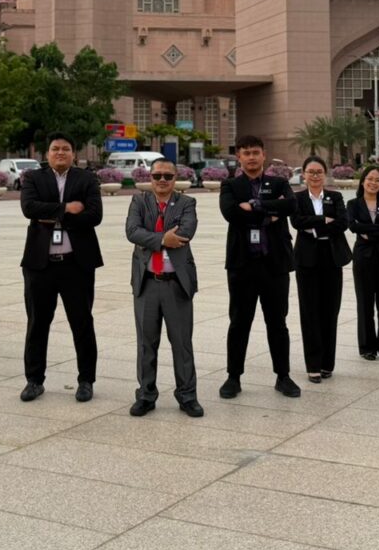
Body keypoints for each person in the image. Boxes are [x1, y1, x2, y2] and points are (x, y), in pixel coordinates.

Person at [19, 133, 103, 403]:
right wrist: (67, 208)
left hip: (76, 265)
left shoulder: (86, 179)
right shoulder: (33, 178)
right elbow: (29, 208)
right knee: (37, 323)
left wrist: (52, 216)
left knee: (82, 322)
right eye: (55, 148)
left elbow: (94, 215)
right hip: (40, 265)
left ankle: (86, 380)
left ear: (73, 154)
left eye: (66, 149)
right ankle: (34, 380)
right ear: (47, 154)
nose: (60, 153)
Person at [219, 134, 301, 399]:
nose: (251, 157)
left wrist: (255, 205)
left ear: (264, 155)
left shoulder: (279, 183)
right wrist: (270, 214)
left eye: (256, 152)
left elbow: (291, 204)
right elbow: (231, 213)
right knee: (239, 322)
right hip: (242, 265)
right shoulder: (230, 185)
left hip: (274, 265)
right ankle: (233, 377)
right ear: (239, 157)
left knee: (277, 322)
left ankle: (283, 376)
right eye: (246, 153)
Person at [125, 158, 203, 417]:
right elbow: (132, 231)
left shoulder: (186, 203)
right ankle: (146, 396)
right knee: (146, 344)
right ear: (150, 178)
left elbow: (186, 232)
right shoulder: (139, 201)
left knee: (182, 343)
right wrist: (162, 239)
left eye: (167, 176)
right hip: (147, 283)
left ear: (175, 178)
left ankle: (187, 396)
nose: (162, 180)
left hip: (176, 284)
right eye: (157, 175)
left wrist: (151, 238)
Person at [290, 156, 351, 382]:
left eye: (319, 172)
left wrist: (314, 225)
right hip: (307, 260)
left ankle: (327, 364)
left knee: (330, 311)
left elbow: (342, 223)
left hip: (331, 257)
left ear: (325, 174)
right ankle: (313, 365)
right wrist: (323, 220)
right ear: (304, 175)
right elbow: (297, 222)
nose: (315, 176)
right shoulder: (297, 198)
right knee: (310, 312)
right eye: (311, 172)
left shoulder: (335, 197)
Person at [346, 165, 379, 360]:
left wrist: (368, 230)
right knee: (365, 302)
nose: (373, 183)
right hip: (363, 257)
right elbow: (352, 226)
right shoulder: (353, 204)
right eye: (370, 179)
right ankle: (367, 347)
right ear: (363, 181)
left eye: (378, 180)